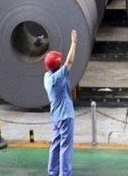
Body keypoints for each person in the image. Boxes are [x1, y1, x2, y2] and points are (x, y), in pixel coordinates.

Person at [44, 30, 77, 176]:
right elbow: (69, 62)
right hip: (65, 116)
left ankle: (53, 171)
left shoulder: (47, 77)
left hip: (56, 116)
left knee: (56, 144)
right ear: (57, 65)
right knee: (65, 147)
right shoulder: (57, 78)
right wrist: (73, 43)